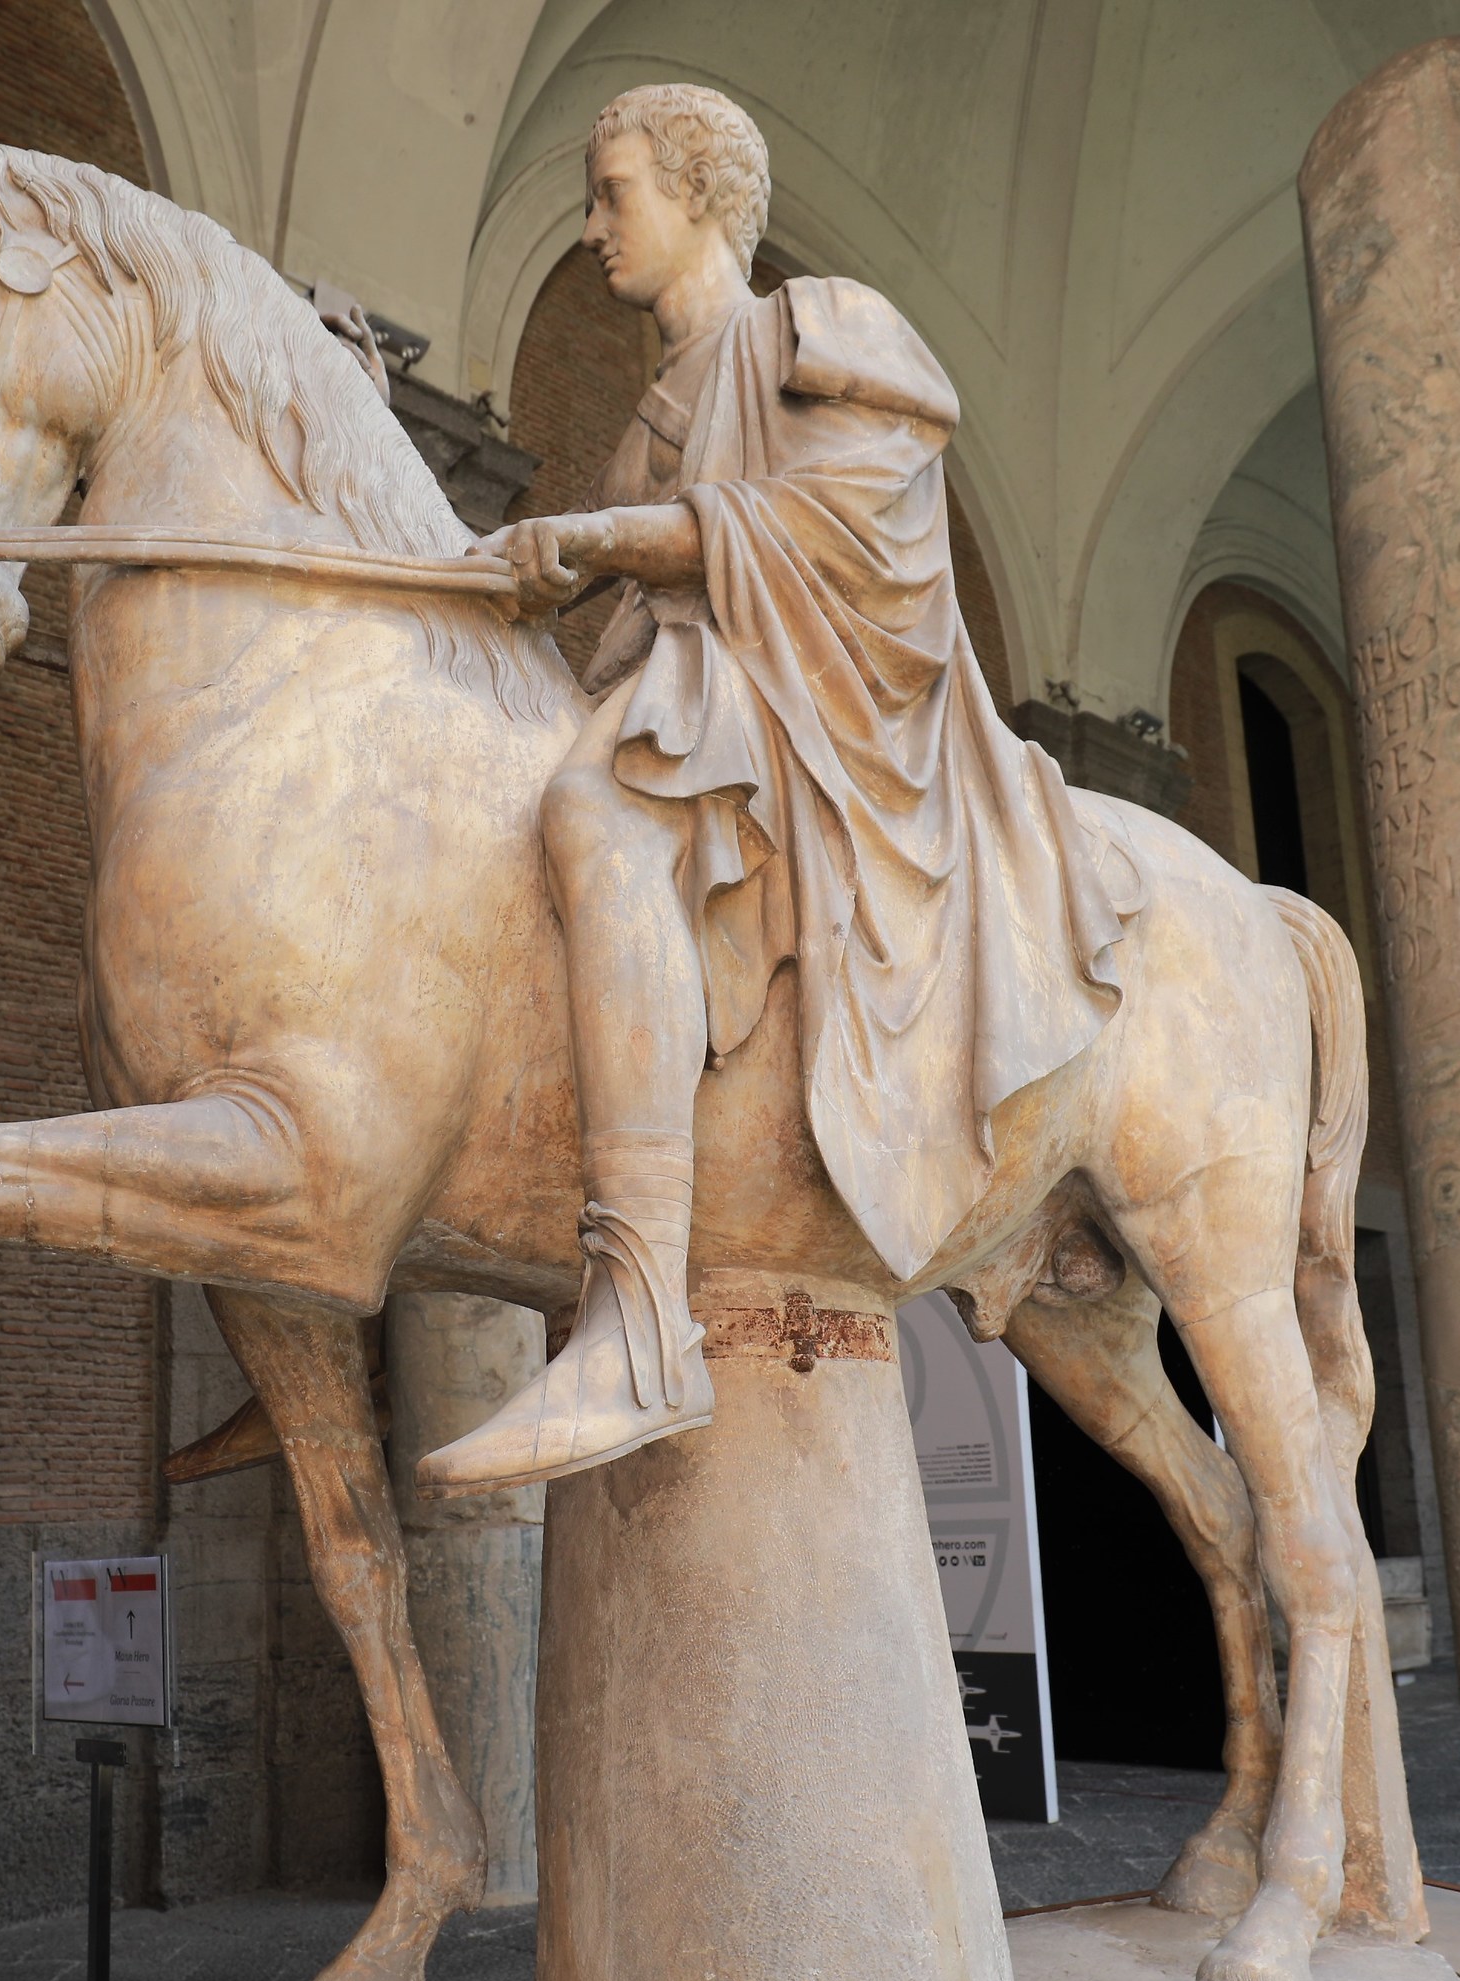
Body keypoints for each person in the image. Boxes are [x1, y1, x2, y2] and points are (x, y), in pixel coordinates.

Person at [418, 84, 1131, 1497]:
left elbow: (846, 528)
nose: (592, 225)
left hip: (807, 706)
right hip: (703, 692)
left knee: (596, 813)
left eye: (614, 192)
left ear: (704, 196)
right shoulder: (645, 428)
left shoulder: (819, 332)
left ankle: (636, 1313)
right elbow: (618, 611)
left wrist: (607, 537)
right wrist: (504, 578)